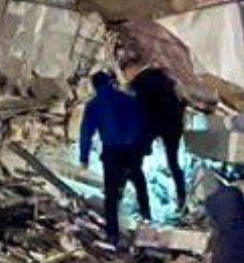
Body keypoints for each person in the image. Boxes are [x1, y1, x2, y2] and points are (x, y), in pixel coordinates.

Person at [78, 70, 150, 247]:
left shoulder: (93, 105)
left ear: (95, 86)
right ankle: (147, 217)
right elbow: (144, 123)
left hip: (111, 151)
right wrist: (145, 147)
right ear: (110, 82)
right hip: (132, 149)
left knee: (111, 194)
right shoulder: (129, 99)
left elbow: (86, 133)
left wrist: (84, 157)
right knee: (138, 181)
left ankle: (112, 234)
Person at [124, 55, 188, 210]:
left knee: (134, 158)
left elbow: (141, 110)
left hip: (155, 125)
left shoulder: (140, 84)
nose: (126, 76)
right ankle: (182, 197)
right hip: (173, 125)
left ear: (132, 70)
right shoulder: (163, 76)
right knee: (173, 163)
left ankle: (132, 193)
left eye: (126, 72)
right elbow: (179, 99)